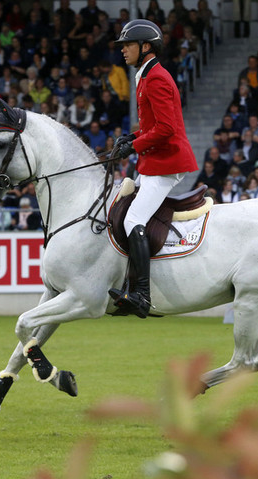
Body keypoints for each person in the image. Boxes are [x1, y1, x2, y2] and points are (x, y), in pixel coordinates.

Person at [107, 19, 197, 318]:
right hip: (155, 160)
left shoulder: (156, 77)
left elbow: (167, 129)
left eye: (127, 45)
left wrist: (134, 145)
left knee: (133, 220)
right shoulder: (146, 75)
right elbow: (153, 125)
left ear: (146, 47)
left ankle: (142, 296)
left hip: (166, 161)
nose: (123, 51)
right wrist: (132, 138)